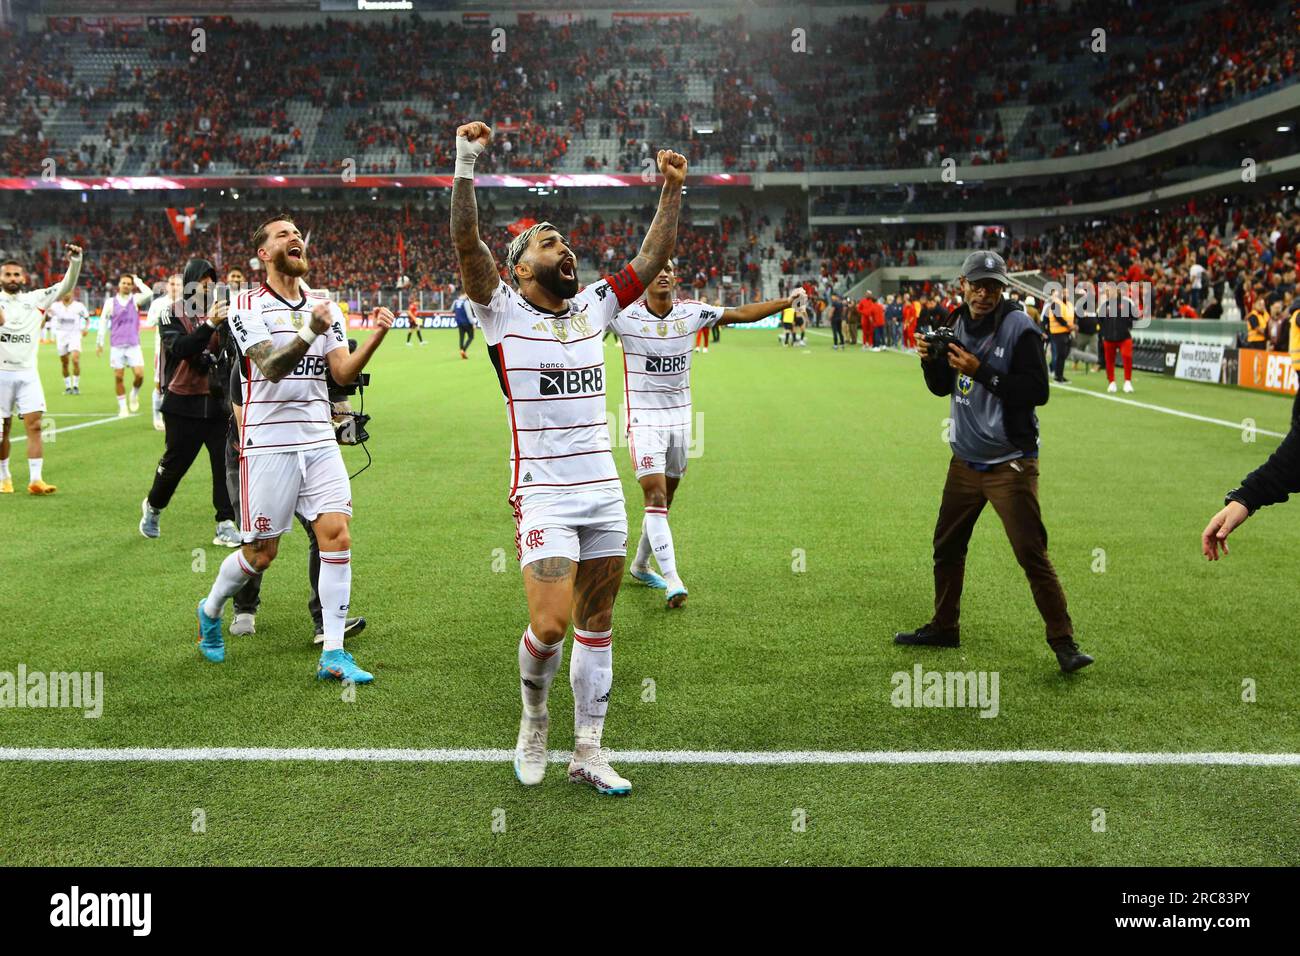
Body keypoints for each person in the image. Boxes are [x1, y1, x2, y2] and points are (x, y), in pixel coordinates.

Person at [451, 119, 685, 795]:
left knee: (598, 621)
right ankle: (533, 717)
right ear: (521, 267)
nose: (566, 248)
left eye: (566, 240)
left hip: (602, 490)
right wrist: (466, 161)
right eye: (550, 243)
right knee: (549, 624)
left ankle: (588, 749)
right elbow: (467, 241)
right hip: (543, 492)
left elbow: (650, 254)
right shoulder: (499, 309)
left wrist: (671, 189)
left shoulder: (595, 305)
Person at [195, 215, 390, 682]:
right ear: (263, 253)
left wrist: (378, 336)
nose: (295, 238)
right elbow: (270, 367)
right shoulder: (245, 305)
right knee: (262, 553)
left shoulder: (326, 305)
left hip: (318, 439)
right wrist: (308, 332)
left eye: (298, 233)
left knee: (336, 535)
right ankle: (210, 610)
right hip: (268, 443)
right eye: (283, 234)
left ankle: (334, 653)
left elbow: (341, 374)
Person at [895, 251, 1091, 674]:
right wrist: (929, 362)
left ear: (1004, 289)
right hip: (965, 461)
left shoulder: (1021, 327)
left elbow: (1037, 392)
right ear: (962, 284)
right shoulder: (953, 322)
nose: (984, 294)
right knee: (947, 547)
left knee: (1030, 552)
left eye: (993, 287)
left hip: (1010, 462)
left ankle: (1064, 642)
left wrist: (981, 370)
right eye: (977, 285)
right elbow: (940, 387)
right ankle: (944, 627)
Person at [612, 260, 805, 607]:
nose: (663, 272)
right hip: (643, 421)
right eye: (656, 267)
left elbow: (742, 313)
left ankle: (640, 565)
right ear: (644, 277)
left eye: (669, 268)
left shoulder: (692, 312)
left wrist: (786, 302)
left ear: (676, 276)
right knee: (654, 498)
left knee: (664, 501)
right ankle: (673, 579)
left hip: (682, 422)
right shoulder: (623, 315)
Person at [139, 259, 240, 548]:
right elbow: (181, 348)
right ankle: (154, 507)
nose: (207, 286)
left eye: (211, 281)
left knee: (224, 464)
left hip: (218, 402)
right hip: (182, 402)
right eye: (202, 280)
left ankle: (225, 523)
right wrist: (210, 324)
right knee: (175, 465)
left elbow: (231, 352)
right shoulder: (171, 312)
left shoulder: (223, 313)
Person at [0, 245, 82, 495]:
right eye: (7, 275)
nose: (12, 279)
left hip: (28, 374)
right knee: (3, 429)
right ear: (1, 278)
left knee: (35, 427)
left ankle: (36, 479)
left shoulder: (35, 298)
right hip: (1, 374)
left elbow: (65, 286)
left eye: (16, 275)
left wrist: (75, 261)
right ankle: (4, 477)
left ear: (23, 278)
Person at [96, 273, 154, 419]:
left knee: (140, 375)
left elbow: (149, 293)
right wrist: (100, 342)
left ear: (132, 285)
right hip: (117, 345)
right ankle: (123, 408)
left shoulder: (135, 299)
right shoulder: (110, 302)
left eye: (129, 283)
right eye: (124, 283)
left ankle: (134, 394)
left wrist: (138, 281)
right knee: (118, 377)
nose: (126, 285)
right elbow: (103, 321)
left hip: (133, 344)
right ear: (119, 285)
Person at [144, 274, 184, 431]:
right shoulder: (158, 303)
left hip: (182, 349)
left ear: (182, 286)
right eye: (172, 283)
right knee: (160, 384)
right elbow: (149, 322)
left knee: (181, 382)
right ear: (167, 286)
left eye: (178, 284)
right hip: (162, 350)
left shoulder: (188, 304)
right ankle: (156, 416)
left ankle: (177, 415)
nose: (174, 287)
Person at [45, 290, 89, 395]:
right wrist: (46, 312)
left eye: (68, 292)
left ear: (72, 293)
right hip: (61, 336)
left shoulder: (78, 306)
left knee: (75, 360)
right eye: (64, 292)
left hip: (75, 335)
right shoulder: (55, 306)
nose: (66, 294)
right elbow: (48, 318)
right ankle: (68, 387)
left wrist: (86, 329)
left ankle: (76, 386)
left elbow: (87, 318)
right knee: (65, 363)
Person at [1098, 283, 1136, 393]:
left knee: (1127, 356)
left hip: (1124, 337)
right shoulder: (1104, 305)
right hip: (1109, 338)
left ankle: (1127, 382)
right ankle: (1111, 382)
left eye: (1109, 290)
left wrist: (1127, 327)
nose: (1108, 293)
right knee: (1109, 361)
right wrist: (1104, 333)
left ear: (1116, 291)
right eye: (1106, 291)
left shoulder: (1127, 302)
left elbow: (1134, 317)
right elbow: (1099, 320)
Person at [1044, 291, 1076, 383]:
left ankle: (1060, 375)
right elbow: (1058, 317)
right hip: (1057, 332)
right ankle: (1057, 376)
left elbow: (1072, 317)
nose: (1067, 295)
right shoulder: (1055, 304)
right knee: (1060, 354)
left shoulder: (1069, 304)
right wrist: (1068, 325)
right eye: (1064, 293)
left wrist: (1074, 325)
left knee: (1064, 354)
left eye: (1068, 293)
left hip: (1067, 332)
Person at [452, 291, 474, 359]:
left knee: (461, 337)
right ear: (465, 294)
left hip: (459, 322)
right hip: (467, 323)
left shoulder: (456, 301)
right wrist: (473, 323)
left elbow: (452, 310)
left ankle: (461, 350)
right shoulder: (465, 302)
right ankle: (463, 350)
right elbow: (469, 314)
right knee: (471, 337)